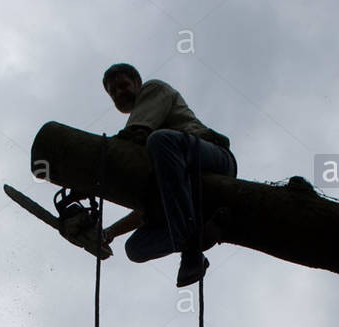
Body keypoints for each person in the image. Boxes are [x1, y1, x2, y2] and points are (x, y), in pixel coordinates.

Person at [99, 64, 237, 287]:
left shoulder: (153, 90)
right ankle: (198, 233)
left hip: (214, 161)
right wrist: (110, 232)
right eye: (112, 92)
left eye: (123, 85)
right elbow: (154, 206)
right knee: (135, 248)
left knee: (161, 140)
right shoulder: (156, 158)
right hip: (188, 194)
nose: (118, 93)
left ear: (137, 83)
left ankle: (191, 250)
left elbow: (135, 133)